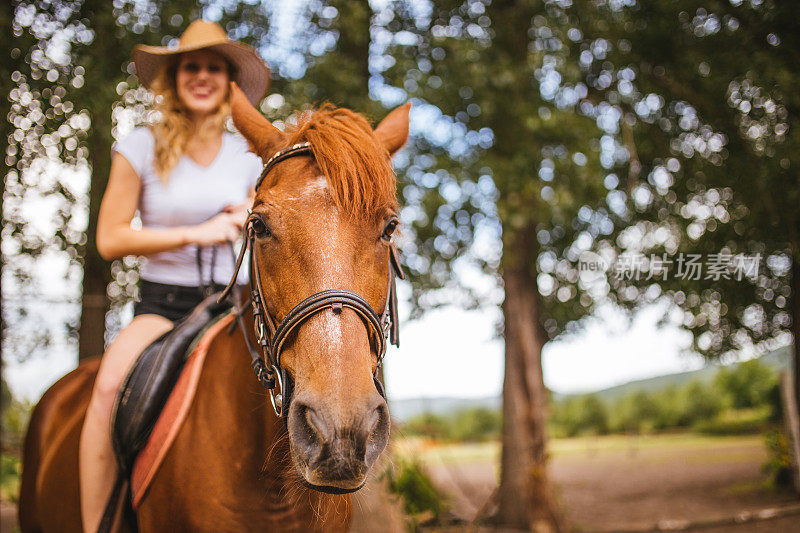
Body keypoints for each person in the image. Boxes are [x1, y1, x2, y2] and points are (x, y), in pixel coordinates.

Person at [78, 20, 270, 532]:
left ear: (230, 81)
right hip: (163, 305)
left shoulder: (249, 152)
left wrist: (250, 210)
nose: (202, 76)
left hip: (235, 303)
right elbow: (110, 239)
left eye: (214, 67)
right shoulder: (139, 145)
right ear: (174, 76)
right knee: (107, 387)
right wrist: (199, 232)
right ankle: (100, 523)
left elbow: (278, 217)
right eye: (192, 66)